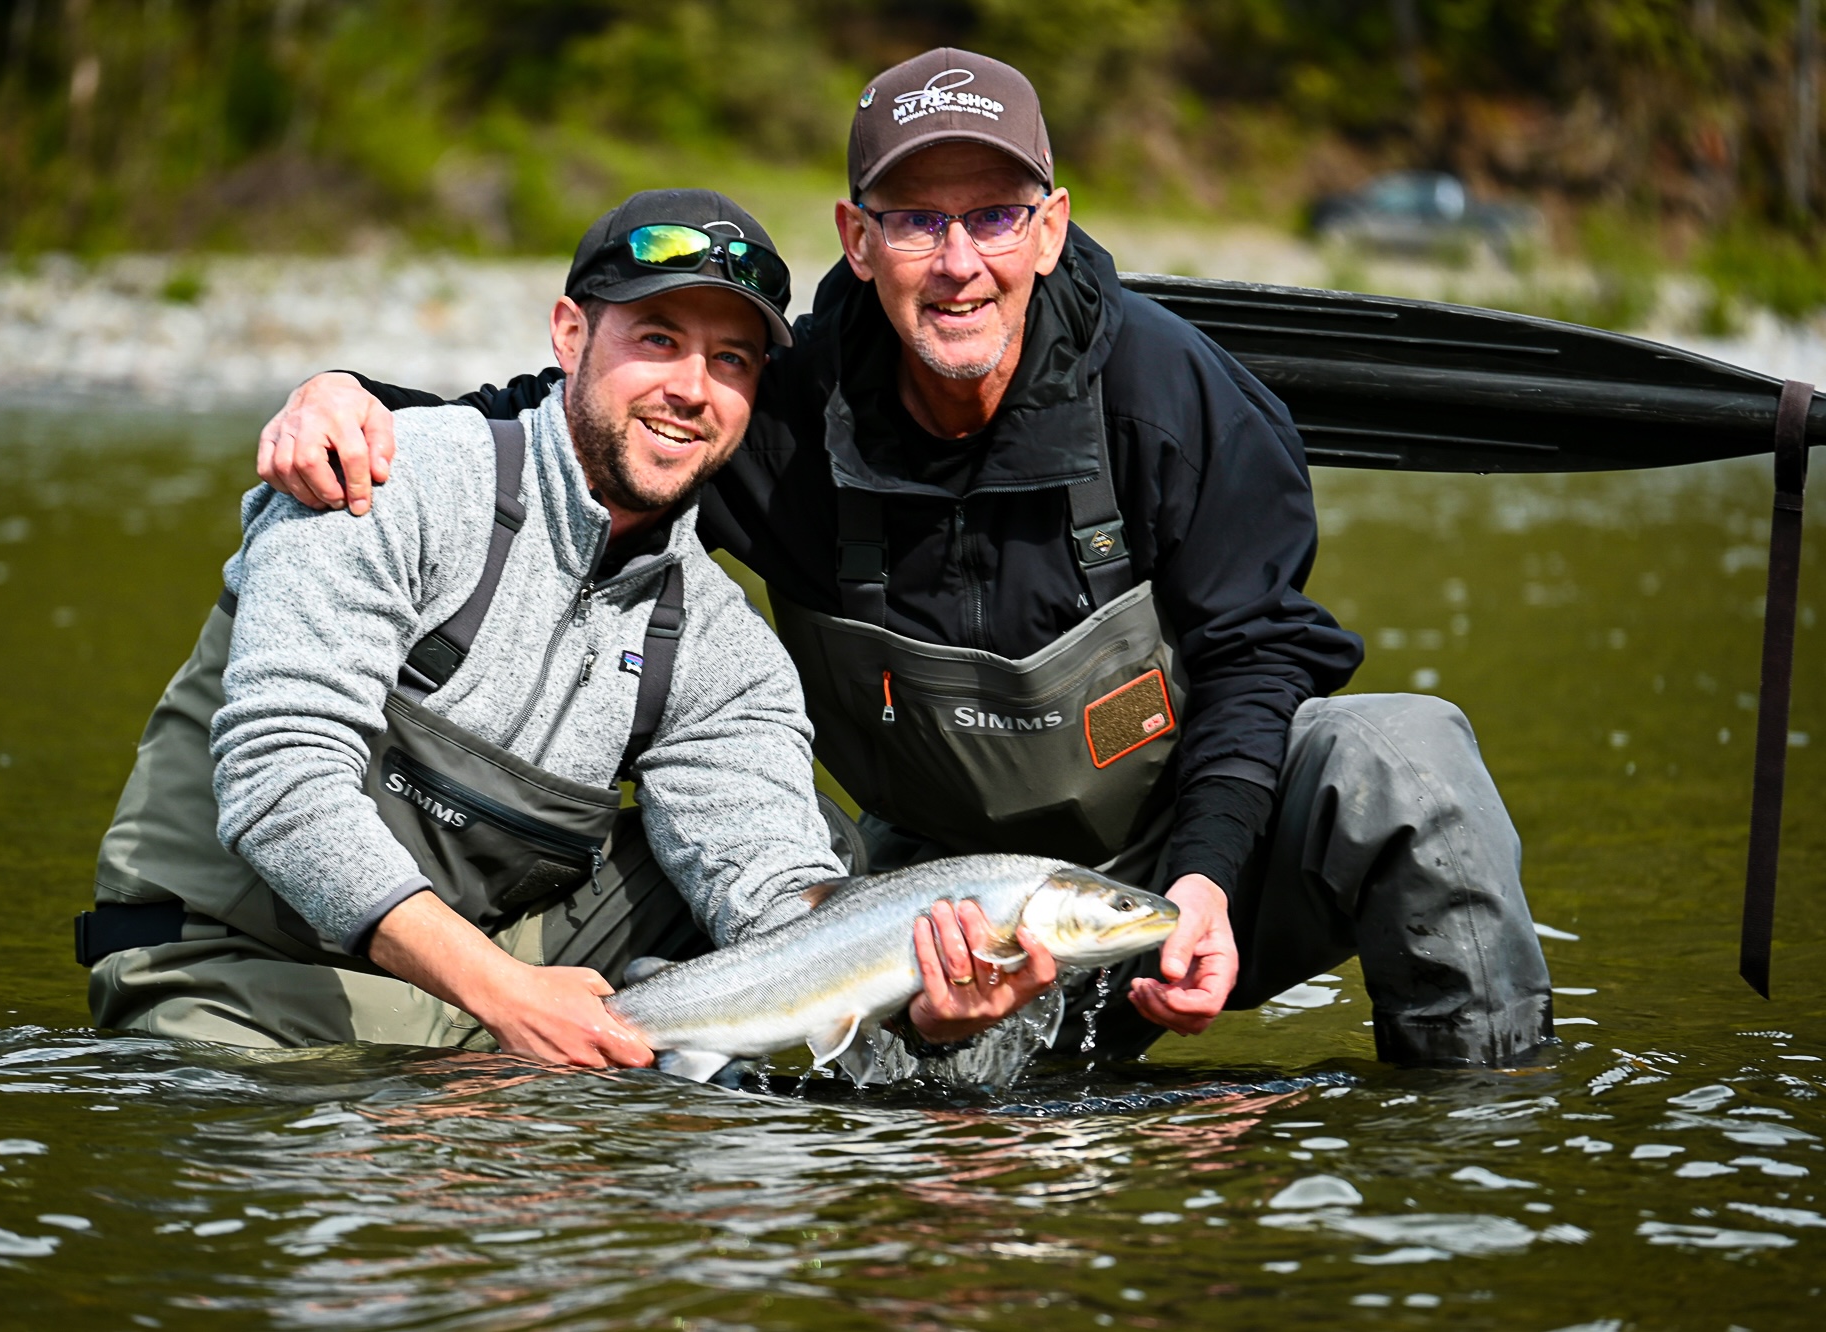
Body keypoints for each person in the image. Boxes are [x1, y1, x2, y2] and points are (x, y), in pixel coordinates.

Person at [257, 51, 1554, 1069]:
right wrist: (353, 397)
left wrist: (1206, 879)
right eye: (916, 220)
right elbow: (590, 423)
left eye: (993, 215)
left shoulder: (1177, 398)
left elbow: (1260, 658)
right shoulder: (776, 407)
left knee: (1406, 757)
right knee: (931, 1145)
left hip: (1192, 865)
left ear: (1050, 227)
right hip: (932, 918)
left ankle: (1476, 1132)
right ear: (856, 236)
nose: (958, 262)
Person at [78, 188, 1057, 1062]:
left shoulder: (721, 649)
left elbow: (773, 900)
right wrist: (506, 995)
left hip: (468, 1016)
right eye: (658, 339)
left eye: (730, 360)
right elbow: (278, 782)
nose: (692, 388)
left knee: (833, 878)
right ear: (568, 333)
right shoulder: (382, 478)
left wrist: (920, 1006)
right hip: (229, 981)